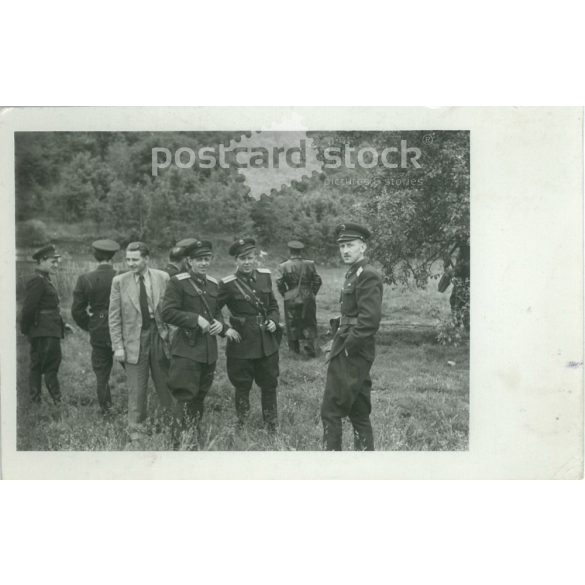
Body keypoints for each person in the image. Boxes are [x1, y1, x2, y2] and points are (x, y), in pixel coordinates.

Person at [321, 223, 383, 451]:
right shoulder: (355, 273)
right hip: (354, 347)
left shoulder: (367, 275)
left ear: (363, 247)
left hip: (354, 351)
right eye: (342, 246)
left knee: (330, 411)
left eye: (350, 245)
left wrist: (347, 348)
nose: (345, 250)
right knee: (359, 411)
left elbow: (369, 321)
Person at [108, 241, 174, 440]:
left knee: (166, 385)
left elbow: (171, 311)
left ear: (146, 259)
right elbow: (114, 317)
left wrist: (172, 338)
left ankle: (170, 428)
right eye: (127, 259)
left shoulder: (163, 277)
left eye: (135, 259)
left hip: (159, 336)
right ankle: (136, 433)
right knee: (136, 389)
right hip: (133, 341)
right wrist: (118, 346)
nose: (130, 263)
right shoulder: (119, 281)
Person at [161, 239, 226, 437]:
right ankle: (178, 441)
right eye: (199, 260)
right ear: (189, 261)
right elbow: (167, 313)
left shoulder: (214, 284)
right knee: (185, 396)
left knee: (199, 396)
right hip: (186, 350)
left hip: (208, 351)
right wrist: (195, 319)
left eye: (207, 259)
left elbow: (217, 311)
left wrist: (220, 323)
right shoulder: (177, 282)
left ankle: (192, 435)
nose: (204, 263)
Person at [217, 237, 281, 430]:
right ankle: (242, 423)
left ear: (256, 258)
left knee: (269, 384)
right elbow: (212, 309)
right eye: (242, 258)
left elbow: (272, 305)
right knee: (242, 386)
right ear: (235, 261)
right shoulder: (227, 284)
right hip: (242, 343)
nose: (247, 262)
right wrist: (225, 329)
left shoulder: (264, 276)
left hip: (266, 342)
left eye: (250, 257)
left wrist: (273, 320)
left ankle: (271, 424)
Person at [71, 239, 120, 414]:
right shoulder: (123, 276)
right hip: (121, 327)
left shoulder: (85, 279)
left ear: (95, 255)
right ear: (113, 255)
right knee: (132, 369)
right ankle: (137, 408)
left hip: (98, 328)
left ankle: (107, 409)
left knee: (101, 373)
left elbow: (77, 311)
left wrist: (90, 325)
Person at [20, 244, 67, 405]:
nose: (56, 264)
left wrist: (63, 325)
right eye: (53, 261)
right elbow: (28, 308)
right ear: (42, 260)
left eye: (57, 261)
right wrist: (26, 329)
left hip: (44, 330)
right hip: (45, 331)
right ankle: (57, 403)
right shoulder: (38, 281)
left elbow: (50, 308)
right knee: (50, 366)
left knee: (37, 366)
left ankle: (36, 403)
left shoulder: (44, 280)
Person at [276, 240, 322, 357]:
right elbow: (317, 280)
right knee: (309, 321)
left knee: (292, 322)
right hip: (308, 294)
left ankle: (294, 350)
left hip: (291, 294)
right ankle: (310, 348)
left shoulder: (283, 266)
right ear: (301, 251)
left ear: (290, 251)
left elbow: (279, 282)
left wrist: (285, 294)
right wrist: (312, 293)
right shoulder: (310, 264)